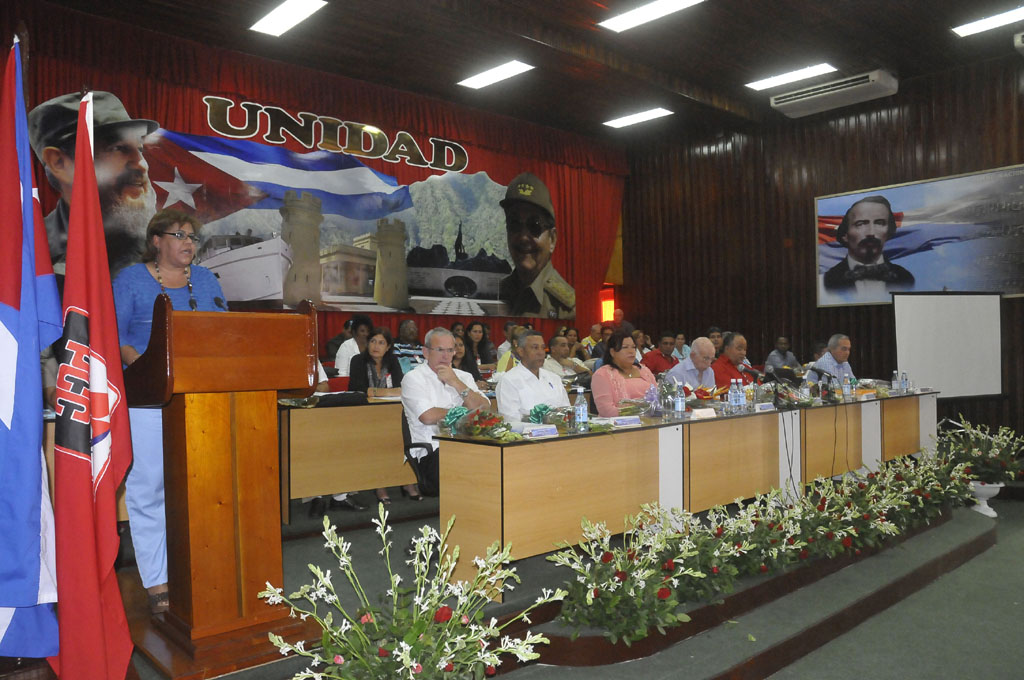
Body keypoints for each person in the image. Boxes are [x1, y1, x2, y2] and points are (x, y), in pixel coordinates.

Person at [113, 209, 226, 614]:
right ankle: (157, 579)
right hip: (148, 399)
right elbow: (114, 336)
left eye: (193, 236)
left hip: (201, 400)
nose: (188, 242)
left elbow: (224, 333)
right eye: (179, 234)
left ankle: (198, 570)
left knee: (201, 489)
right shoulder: (130, 280)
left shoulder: (208, 279)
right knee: (150, 492)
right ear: (156, 240)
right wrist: (143, 362)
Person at [29, 91, 159, 278]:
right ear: (59, 162)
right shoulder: (33, 258)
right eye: (119, 148)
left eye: (139, 149)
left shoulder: (161, 246)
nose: (142, 165)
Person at [401, 328, 490, 495]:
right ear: (426, 352)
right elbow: (428, 416)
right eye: (439, 350)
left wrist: (455, 382)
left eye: (450, 350)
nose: (445, 356)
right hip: (434, 451)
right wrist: (466, 410)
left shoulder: (463, 377)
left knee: (499, 461)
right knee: (479, 469)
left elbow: (484, 408)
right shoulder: (413, 378)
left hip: (468, 444)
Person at [498, 172, 575, 318]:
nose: (523, 237)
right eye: (514, 224)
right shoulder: (498, 293)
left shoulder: (565, 308)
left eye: (535, 226)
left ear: (552, 239)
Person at [349, 327, 404, 505]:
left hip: (389, 413)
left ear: (388, 347)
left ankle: (405, 480)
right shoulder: (358, 361)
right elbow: (357, 390)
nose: (376, 346)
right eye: (373, 341)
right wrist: (387, 392)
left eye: (381, 343)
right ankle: (380, 483)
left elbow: (401, 388)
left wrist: (376, 392)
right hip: (362, 414)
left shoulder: (393, 361)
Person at [823, 195, 914, 294]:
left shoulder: (905, 278)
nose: (871, 232)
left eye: (879, 223)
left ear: (888, 232)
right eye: (861, 224)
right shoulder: (827, 281)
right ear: (845, 235)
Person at [496, 331, 570, 423]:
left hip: (560, 433)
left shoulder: (554, 378)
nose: (541, 353)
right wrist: (544, 419)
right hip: (528, 435)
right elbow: (510, 420)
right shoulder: (509, 380)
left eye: (543, 348)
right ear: (521, 351)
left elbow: (567, 411)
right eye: (535, 348)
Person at [591, 330, 657, 417]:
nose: (631, 351)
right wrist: (642, 410)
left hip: (651, 421)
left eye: (633, 347)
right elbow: (607, 411)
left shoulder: (644, 370)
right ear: (612, 352)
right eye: (625, 347)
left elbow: (658, 398)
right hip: (619, 426)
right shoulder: (602, 375)